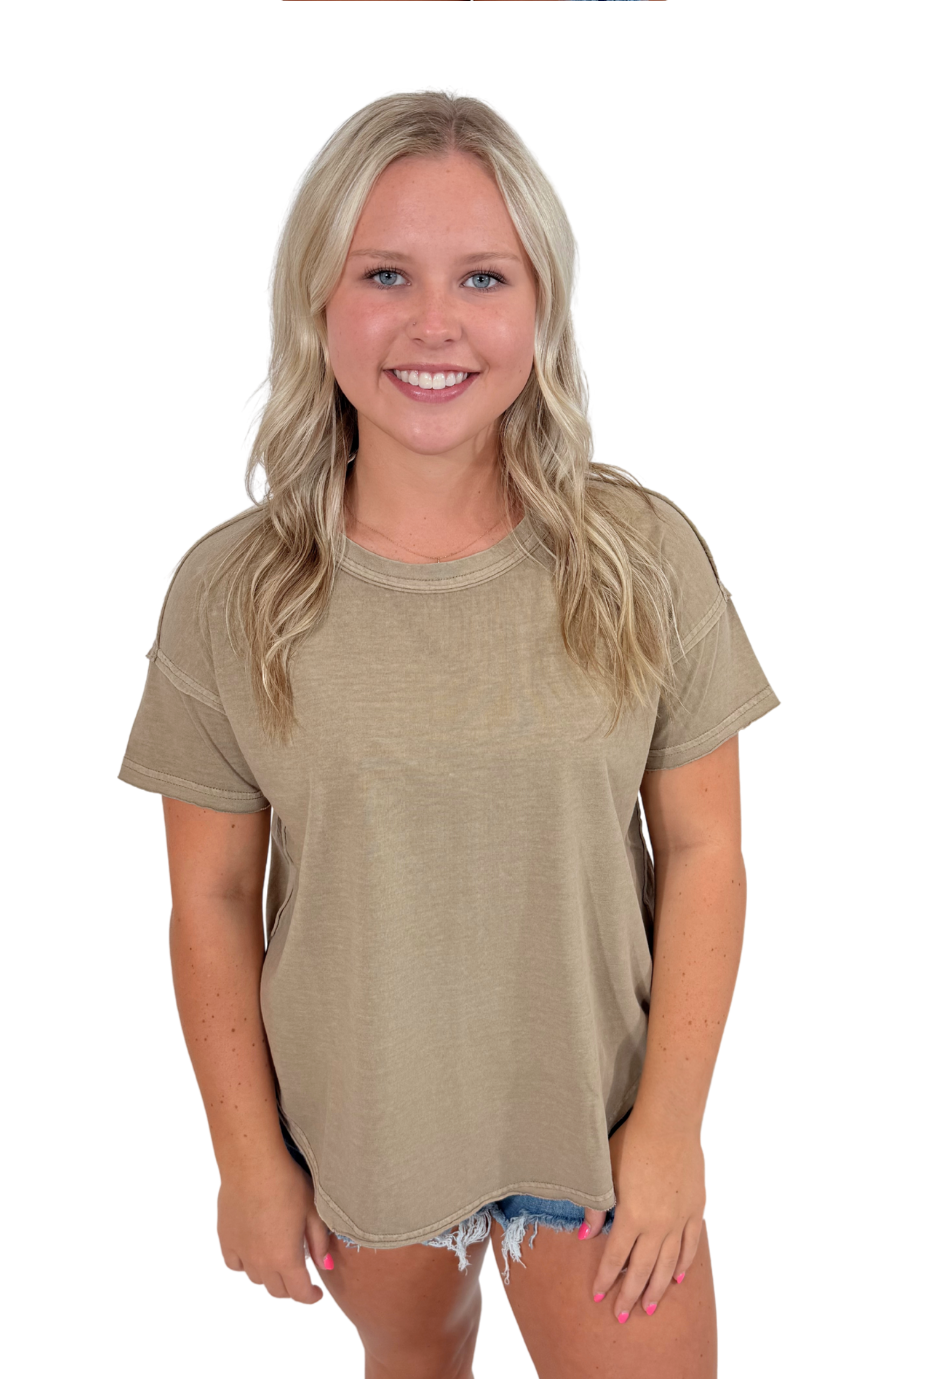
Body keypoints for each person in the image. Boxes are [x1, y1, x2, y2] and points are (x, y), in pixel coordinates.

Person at [118, 90, 779, 1379]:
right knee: (417, 1359)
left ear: (542, 305)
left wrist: (670, 1134)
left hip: (593, 1132)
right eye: (385, 275)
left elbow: (707, 853)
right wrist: (246, 1161)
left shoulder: (641, 557)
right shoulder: (232, 591)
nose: (435, 323)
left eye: (483, 276)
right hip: (361, 1136)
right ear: (318, 299)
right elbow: (211, 896)